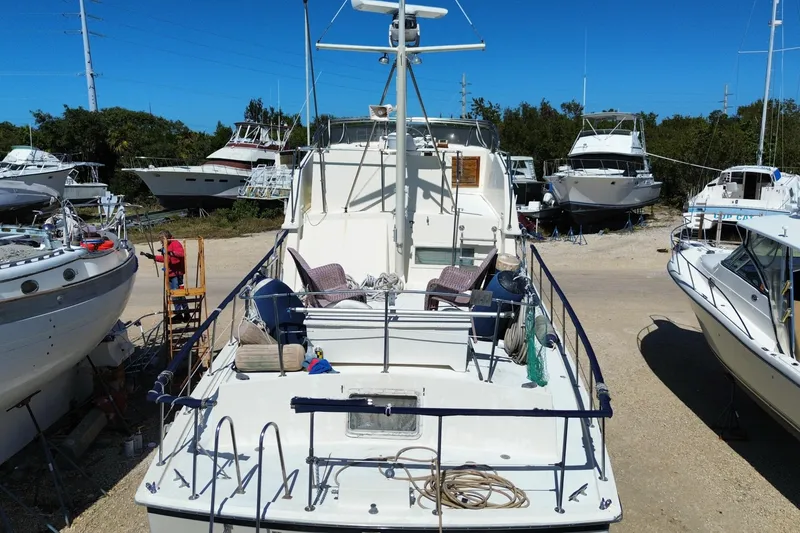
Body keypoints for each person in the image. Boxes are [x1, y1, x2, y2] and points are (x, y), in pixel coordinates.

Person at [141, 230, 189, 322]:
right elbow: (165, 259)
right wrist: (153, 257)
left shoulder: (175, 243)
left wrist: (170, 252)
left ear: (166, 237)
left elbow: (181, 254)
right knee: (176, 294)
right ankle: (184, 314)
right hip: (170, 273)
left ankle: (182, 314)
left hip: (176, 273)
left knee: (177, 294)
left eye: (161, 239)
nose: (161, 242)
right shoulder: (165, 245)